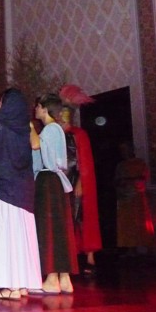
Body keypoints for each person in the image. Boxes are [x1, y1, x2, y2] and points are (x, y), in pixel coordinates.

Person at [0, 88, 42, 300]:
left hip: (4, 190)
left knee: (5, 238)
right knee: (21, 238)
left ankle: (10, 286)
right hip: (24, 192)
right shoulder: (24, 129)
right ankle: (22, 284)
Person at [32, 94, 78, 294]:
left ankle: (52, 277)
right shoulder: (56, 129)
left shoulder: (49, 130)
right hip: (54, 183)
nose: (35, 110)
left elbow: (37, 148)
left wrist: (30, 129)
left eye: (37, 107)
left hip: (48, 181)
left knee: (48, 227)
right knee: (58, 228)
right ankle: (64, 277)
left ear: (44, 109)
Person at [58, 105, 102, 275]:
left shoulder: (78, 134)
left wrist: (81, 182)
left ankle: (90, 257)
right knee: (68, 219)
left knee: (82, 217)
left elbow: (85, 161)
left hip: (76, 179)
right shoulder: (57, 133)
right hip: (63, 181)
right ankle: (71, 256)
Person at [115, 141, 154, 253]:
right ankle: (131, 249)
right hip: (125, 199)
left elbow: (142, 178)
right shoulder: (121, 165)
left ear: (131, 149)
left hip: (138, 197)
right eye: (121, 150)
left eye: (125, 149)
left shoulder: (140, 163)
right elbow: (117, 180)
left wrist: (128, 180)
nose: (123, 152)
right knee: (127, 224)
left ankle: (148, 249)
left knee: (142, 223)